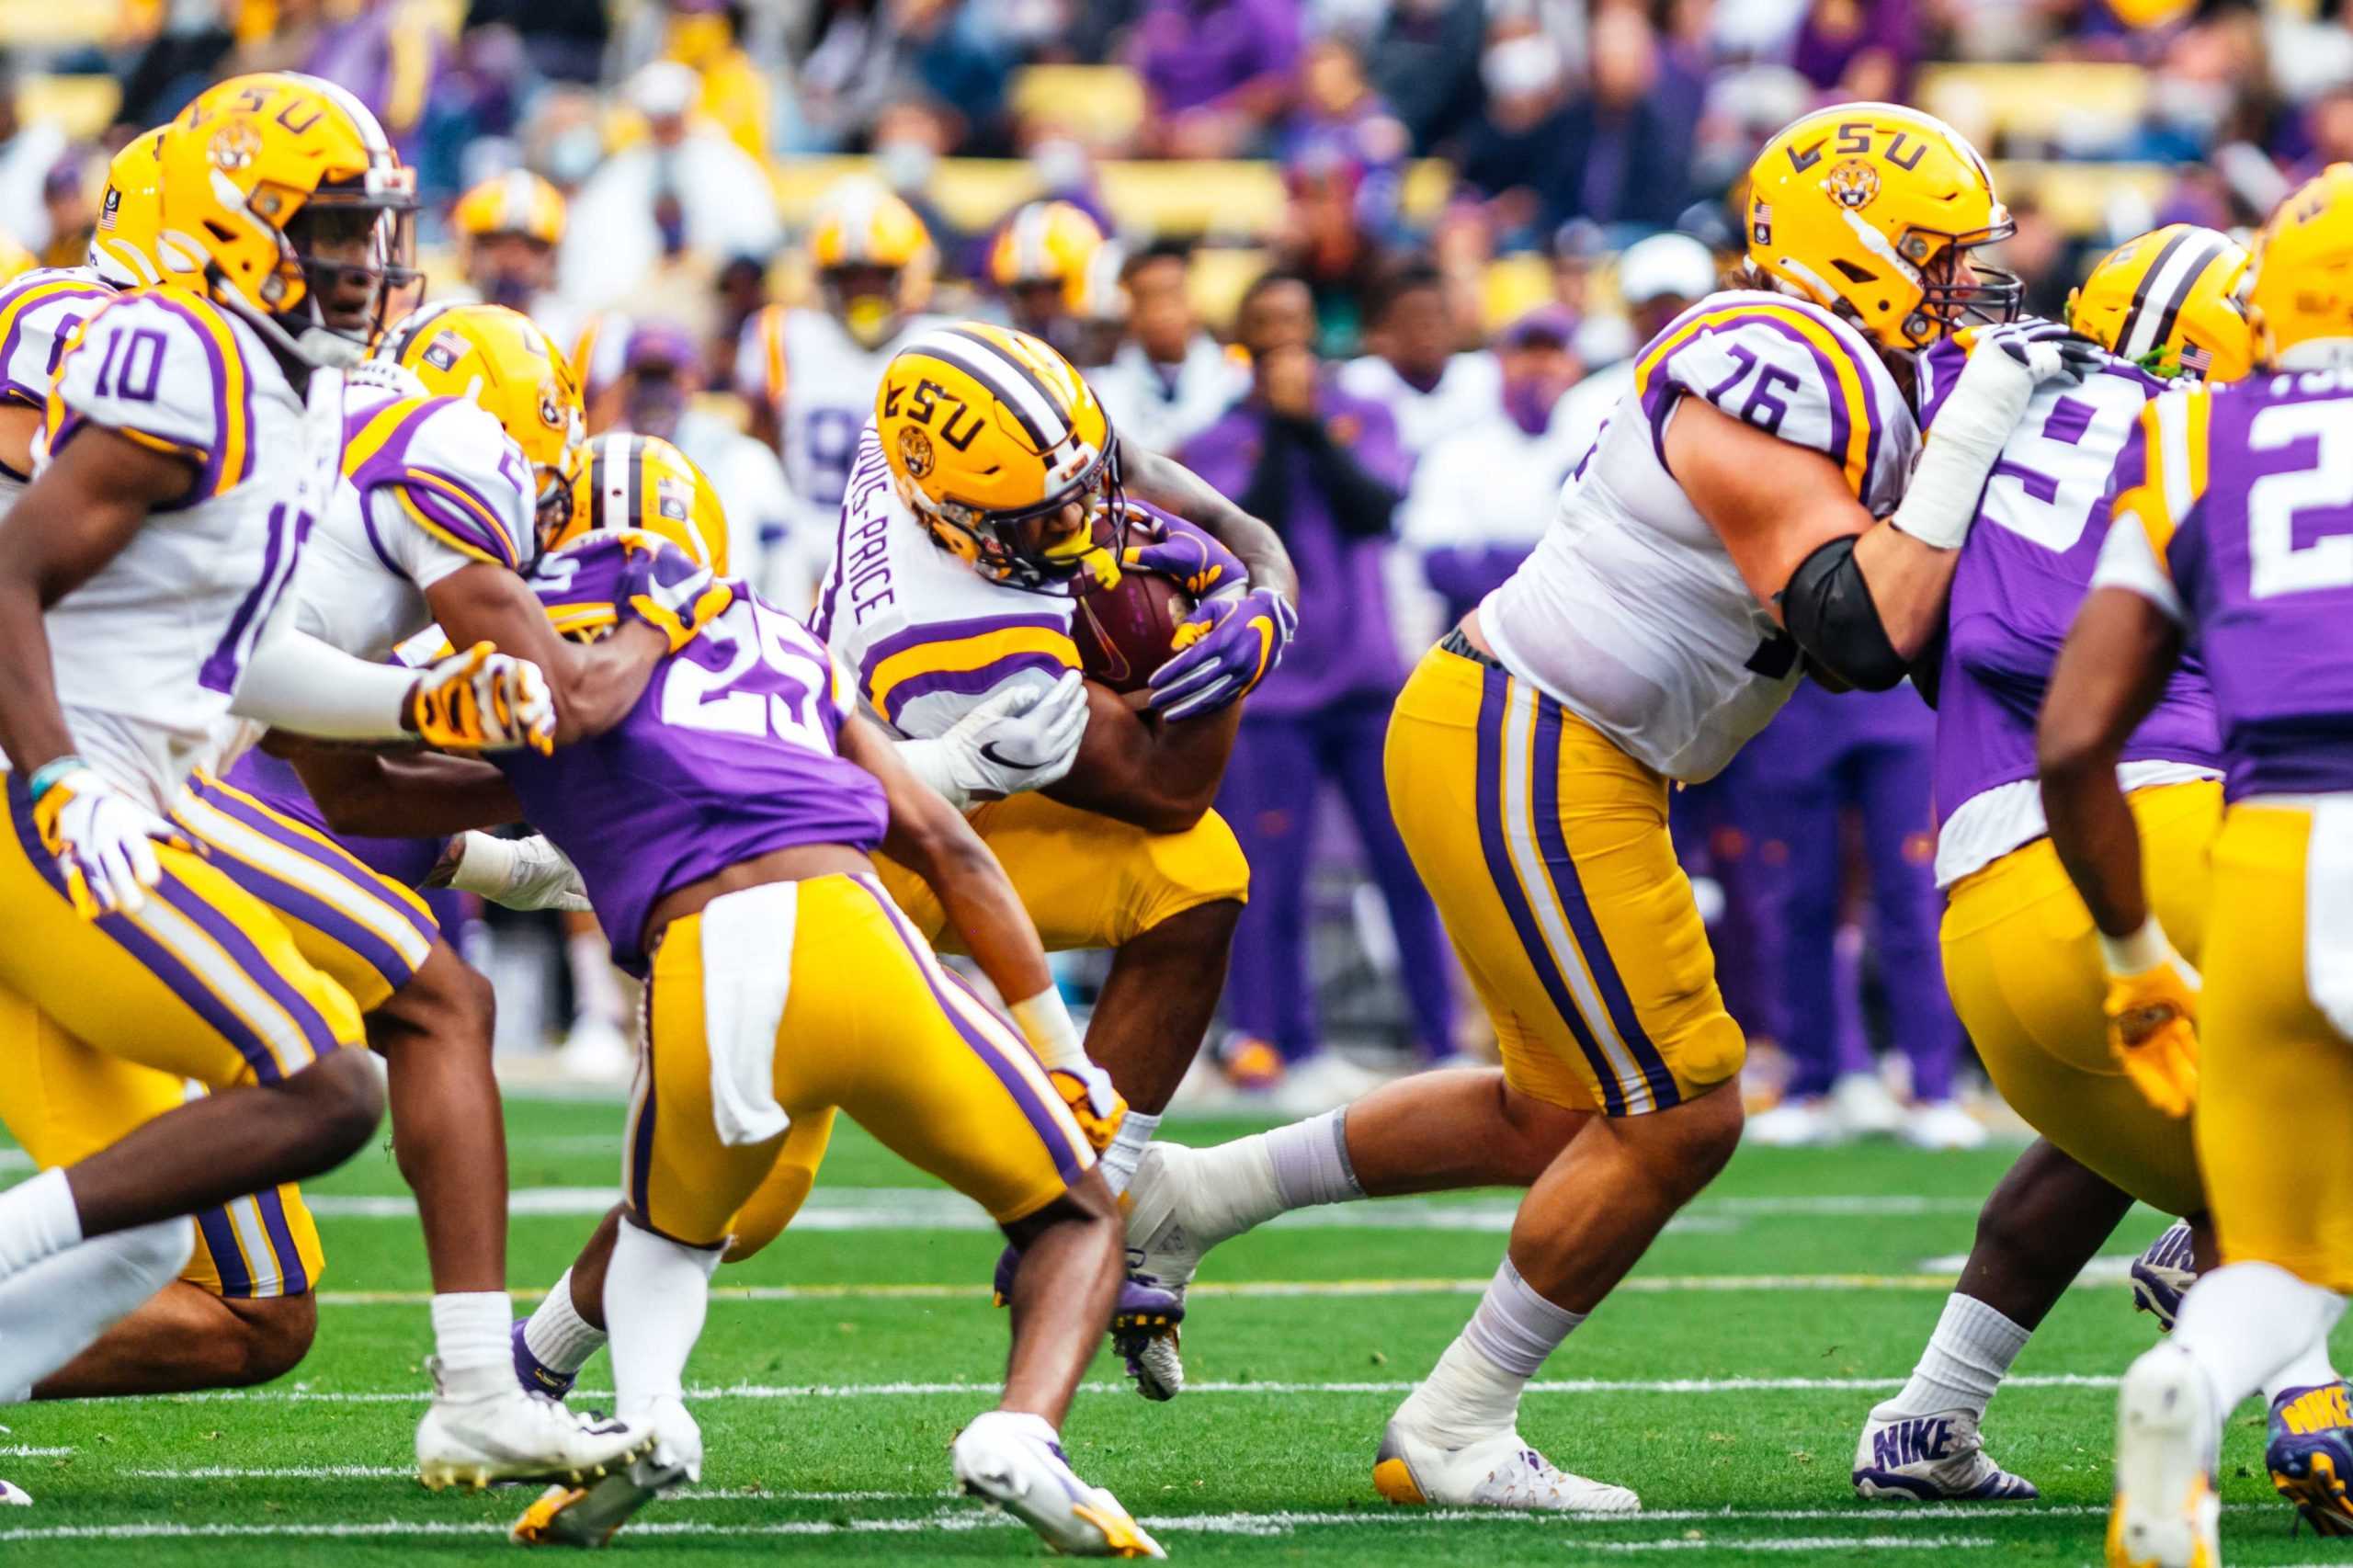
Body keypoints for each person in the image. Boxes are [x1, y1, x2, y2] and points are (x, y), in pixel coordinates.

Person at [1124, 104, 2092, 1511]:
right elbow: (1853, 627)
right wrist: (1982, 427)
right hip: (1531, 729)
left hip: (1567, 746)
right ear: (1857, 250)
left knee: (1555, 1110)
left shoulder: (1863, 369)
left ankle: (1190, 1202)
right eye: (1942, 257)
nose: (1969, 287)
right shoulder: (1776, 357)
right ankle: (1456, 1421)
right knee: (1682, 1111)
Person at [0, 74, 642, 1489]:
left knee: (169, 1250)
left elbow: (234, 665)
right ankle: (482, 1379)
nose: (365, 265)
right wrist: (53, 777)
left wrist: (419, 695)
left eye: (370, 231)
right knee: (323, 1073)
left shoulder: (282, 387)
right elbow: (14, 571)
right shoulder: (166, 358)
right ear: (224, 225)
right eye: (334, 230)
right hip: (57, 784)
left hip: (137, 778)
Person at [511, 322, 1298, 1408]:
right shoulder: (952, 642)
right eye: (1044, 518)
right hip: (851, 850)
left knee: (1196, 882)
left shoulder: (944, 423)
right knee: (740, 1199)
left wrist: (1259, 573)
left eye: (1079, 494)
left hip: (928, 797)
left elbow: (1120, 466)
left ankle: (1104, 1205)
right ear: (957, 518)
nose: (1082, 525)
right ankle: (537, 1352)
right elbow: (1169, 783)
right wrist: (1211, 637)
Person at [448, 526, 1155, 1555]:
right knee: (1074, 1212)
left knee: (664, 1232)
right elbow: (948, 845)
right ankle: (1020, 1429)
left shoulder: (529, 678)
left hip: (698, 964)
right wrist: (1062, 1047)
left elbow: (392, 800)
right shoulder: (780, 642)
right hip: (847, 929)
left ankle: (651, 1414)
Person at [1847, 225, 2268, 1506]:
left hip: (1983, 901)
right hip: (2163, 843)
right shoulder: (2228, 448)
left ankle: (1929, 1415)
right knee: (2298, 1137)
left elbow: (1917, 636)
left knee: (2117, 1122)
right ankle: (2278, 1349)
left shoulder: (1984, 404)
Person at [2040, 167, 2353, 1562]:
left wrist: (2132, 955)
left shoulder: (2191, 440)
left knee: (2277, 1243)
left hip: (2271, 852)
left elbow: (2070, 739)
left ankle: (2192, 1386)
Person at [1187, 269, 1457, 1100]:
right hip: (1274, 692)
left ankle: (1442, 1041)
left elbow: (1376, 509)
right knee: (1269, 875)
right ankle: (1275, 1044)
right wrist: (1279, 430)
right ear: (1245, 339)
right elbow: (1244, 533)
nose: (1286, 339)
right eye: (1268, 324)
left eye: (1297, 321)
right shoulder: (1214, 439)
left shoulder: (1363, 414)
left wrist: (1311, 429)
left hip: (1368, 680)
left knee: (1410, 862)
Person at [1742, 678, 1973, 1149]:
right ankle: (1809, 1088)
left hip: (1900, 693)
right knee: (1800, 900)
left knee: (1910, 901)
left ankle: (1933, 1091)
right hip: (1796, 694)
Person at [735, 178, 941, 609]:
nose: (862, 291)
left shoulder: (942, 343)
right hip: (801, 552)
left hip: (911, 554)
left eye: (877, 277)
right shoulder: (782, 336)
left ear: (908, 276)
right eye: (848, 278)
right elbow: (762, 451)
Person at [1400, 303, 1587, 628]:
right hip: (1484, 649)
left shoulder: (1596, 443)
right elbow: (1440, 566)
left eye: (1553, 352)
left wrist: (1492, 556)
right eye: (1528, 352)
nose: (1541, 366)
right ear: (1499, 363)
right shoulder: (1457, 451)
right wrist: (1566, 569)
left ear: (1575, 366)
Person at [556, 61, 781, 311]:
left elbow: (757, 240)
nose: (665, 128)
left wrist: (706, 262)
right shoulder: (623, 172)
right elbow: (593, 254)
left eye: (671, 119)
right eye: (657, 120)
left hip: (713, 295)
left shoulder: (728, 166)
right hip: (642, 296)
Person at [1090, 239, 1247, 459]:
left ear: (1194, 303)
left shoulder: (1237, 376)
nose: (1162, 312)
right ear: (1130, 313)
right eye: (1147, 299)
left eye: (1173, 295)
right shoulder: (1102, 388)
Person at [1336, 258, 1497, 463]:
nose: (1427, 330)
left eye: (1437, 317)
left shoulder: (1483, 375)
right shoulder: (1359, 382)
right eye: (1415, 317)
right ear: (1385, 330)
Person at [449, 167, 574, 345]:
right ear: (470, 251)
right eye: (495, 242)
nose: (514, 260)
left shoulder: (569, 333)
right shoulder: (443, 317)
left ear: (552, 259)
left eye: (533, 246)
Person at [989, 199, 1107, 365]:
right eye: (1025, 291)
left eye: (1053, 288)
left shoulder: (1111, 348)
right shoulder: (995, 340)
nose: (1039, 303)